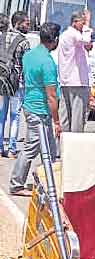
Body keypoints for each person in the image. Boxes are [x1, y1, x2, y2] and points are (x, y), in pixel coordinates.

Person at [9, 22, 60, 196]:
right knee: (32, 148)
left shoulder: (29, 55)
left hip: (30, 105)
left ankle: (51, 181)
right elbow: (51, 96)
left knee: (51, 150)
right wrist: (57, 121)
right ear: (54, 40)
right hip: (40, 110)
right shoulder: (47, 62)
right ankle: (16, 184)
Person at [56, 9, 93, 134]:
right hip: (77, 82)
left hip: (66, 81)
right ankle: (74, 147)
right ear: (75, 22)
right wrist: (87, 24)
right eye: (81, 23)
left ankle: (61, 147)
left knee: (65, 117)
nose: (83, 26)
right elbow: (86, 40)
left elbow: (86, 45)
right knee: (77, 119)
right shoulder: (73, 34)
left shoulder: (65, 35)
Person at [0, 12, 31, 159]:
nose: (28, 25)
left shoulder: (2, 36)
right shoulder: (24, 42)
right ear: (18, 23)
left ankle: (0, 148)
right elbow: (27, 65)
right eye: (26, 23)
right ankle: (12, 149)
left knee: (1, 116)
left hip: (2, 82)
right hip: (17, 84)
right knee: (15, 117)